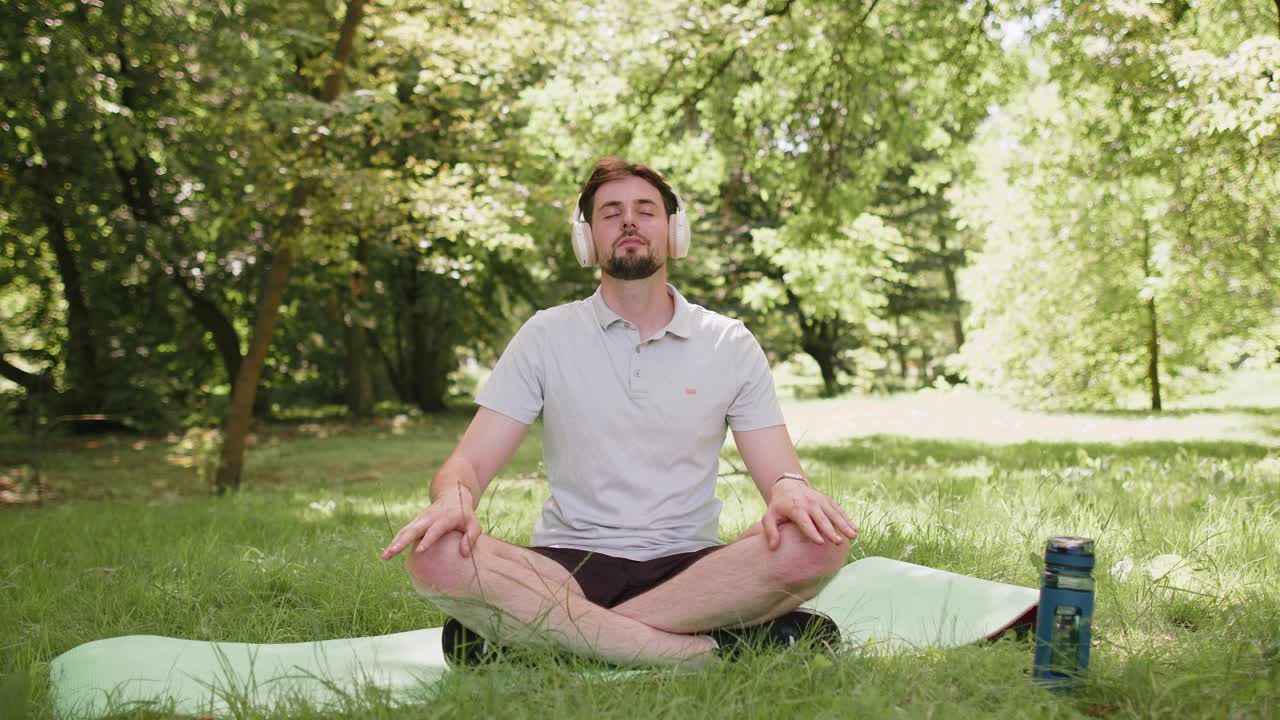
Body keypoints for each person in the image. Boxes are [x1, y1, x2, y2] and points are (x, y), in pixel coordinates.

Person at [380, 157, 859, 668]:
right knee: (434, 554)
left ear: (675, 232)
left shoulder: (729, 342)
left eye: (645, 210)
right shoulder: (545, 335)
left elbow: (782, 475)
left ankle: (563, 635)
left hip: (693, 570)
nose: (629, 221)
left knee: (816, 543)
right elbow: (467, 466)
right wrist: (453, 499)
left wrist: (790, 488)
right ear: (587, 240)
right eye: (611, 213)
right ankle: (693, 651)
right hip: (567, 565)